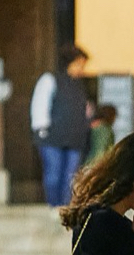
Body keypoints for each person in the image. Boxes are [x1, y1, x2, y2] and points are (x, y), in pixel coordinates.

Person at [32, 45, 92, 206]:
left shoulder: (80, 86)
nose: (82, 68)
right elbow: (40, 106)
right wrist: (42, 130)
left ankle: (65, 207)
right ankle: (53, 205)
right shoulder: (50, 80)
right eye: (79, 63)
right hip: (52, 138)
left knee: (70, 177)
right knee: (54, 174)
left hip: (74, 139)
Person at [84, 104, 118, 168]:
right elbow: (100, 151)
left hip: (87, 163)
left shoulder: (93, 126)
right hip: (97, 165)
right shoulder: (104, 130)